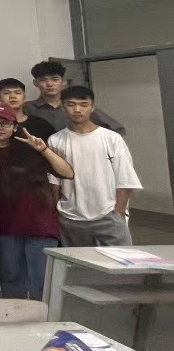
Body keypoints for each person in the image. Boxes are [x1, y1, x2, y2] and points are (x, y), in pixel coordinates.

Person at [0, 103, 74, 301]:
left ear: (14, 127)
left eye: (5, 123)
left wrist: (44, 150)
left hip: (39, 224)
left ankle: (42, 317)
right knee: (11, 277)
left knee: (41, 281)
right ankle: (14, 316)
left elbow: (67, 173)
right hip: (5, 226)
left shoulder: (31, 148)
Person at [48, 86, 141, 247]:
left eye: (84, 104)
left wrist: (118, 212)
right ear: (63, 108)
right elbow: (54, 183)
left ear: (92, 107)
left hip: (109, 215)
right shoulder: (55, 140)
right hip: (71, 217)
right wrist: (58, 212)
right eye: (71, 104)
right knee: (77, 261)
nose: (77, 109)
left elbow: (125, 179)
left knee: (121, 260)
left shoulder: (111, 138)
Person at [26, 61, 125, 135]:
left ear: (64, 82)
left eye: (55, 79)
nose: (49, 84)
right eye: (43, 80)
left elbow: (117, 129)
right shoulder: (27, 108)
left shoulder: (79, 106)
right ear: (35, 83)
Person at [0, 78, 57, 143]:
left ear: (24, 96)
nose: (12, 96)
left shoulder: (41, 124)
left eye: (17, 93)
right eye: (6, 93)